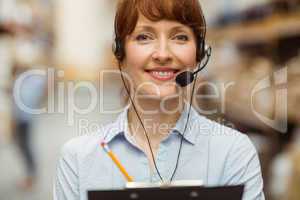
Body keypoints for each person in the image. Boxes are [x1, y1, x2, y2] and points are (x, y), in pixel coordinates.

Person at [53, 0, 265, 200]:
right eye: (144, 37)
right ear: (120, 52)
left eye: (179, 37)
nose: (162, 54)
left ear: (199, 53)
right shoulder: (78, 160)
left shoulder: (234, 153)